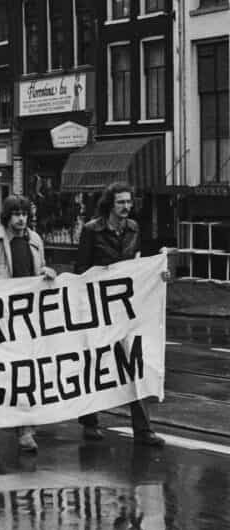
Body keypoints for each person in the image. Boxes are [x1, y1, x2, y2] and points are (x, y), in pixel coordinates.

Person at [74, 183, 166, 447]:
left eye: (129, 202)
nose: (126, 207)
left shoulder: (134, 229)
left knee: (133, 363)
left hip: (126, 309)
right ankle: (90, 420)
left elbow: (138, 264)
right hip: (99, 309)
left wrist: (157, 276)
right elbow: (81, 268)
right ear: (109, 205)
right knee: (95, 364)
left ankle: (143, 429)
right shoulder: (92, 231)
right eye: (121, 203)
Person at [0, 195, 56, 453]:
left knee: (27, 373)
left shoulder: (35, 241)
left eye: (25, 213)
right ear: (7, 217)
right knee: (1, 372)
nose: (21, 218)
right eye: (16, 214)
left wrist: (46, 273)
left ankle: (25, 429)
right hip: (1, 319)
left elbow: (40, 269)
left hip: (28, 318)